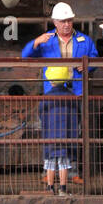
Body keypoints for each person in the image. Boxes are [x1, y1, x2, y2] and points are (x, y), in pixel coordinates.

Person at [21, 2, 98, 95]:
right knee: (56, 110)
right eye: (63, 21)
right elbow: (25, 56)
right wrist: (36, 42)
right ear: (55, 22)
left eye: (69, 20)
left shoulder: (85, 40)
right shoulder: (46, 40)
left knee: (78, 110)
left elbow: (95, 58)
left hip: (78, 90)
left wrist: (88, 66)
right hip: (54, 91)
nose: (67, 24)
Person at [39, 65, 80, 195]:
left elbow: (41, 114)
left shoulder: (46, 97)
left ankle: (50, 188)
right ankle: (63, 189)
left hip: (50, 133)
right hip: (66, 134)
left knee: (50, 161)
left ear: (51, 81)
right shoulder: (72, 96)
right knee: (64, 161)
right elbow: (78, 114)